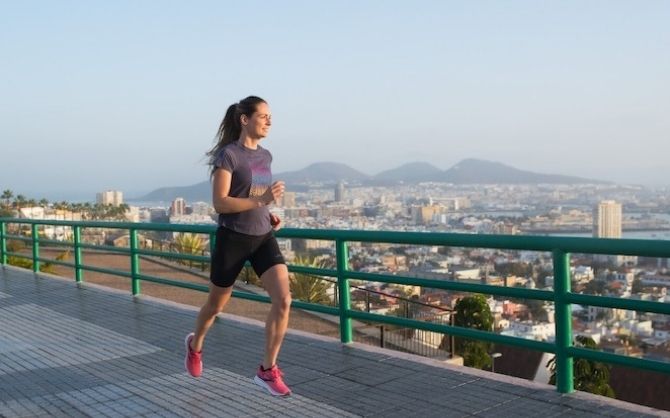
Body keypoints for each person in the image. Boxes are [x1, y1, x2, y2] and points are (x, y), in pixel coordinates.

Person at [184, 96, 292, 397]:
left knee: (284, 299)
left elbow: (253, 194)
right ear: (245, 119)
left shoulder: (265, 156)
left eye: (271, 117)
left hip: (262, 237)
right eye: (263, 116)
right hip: (233, 239)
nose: (269, 121)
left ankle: (267, 371)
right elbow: (221, 202)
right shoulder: (228, 155)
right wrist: (262, 201)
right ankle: (195, 345)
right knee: (215, 306)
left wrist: (266, 212)